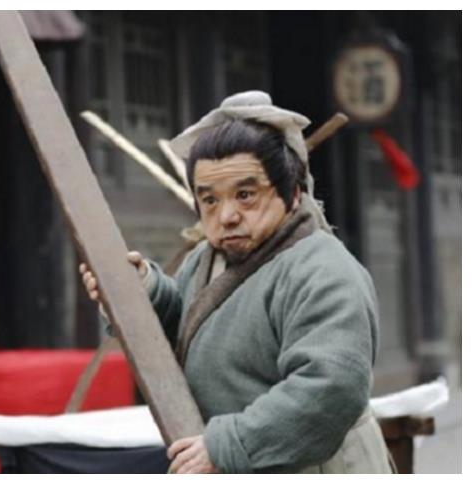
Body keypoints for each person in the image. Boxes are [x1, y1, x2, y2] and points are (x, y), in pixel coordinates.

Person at [79, 91, 392, 473]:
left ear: (293, 195)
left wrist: (228, 444)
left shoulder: (322, 269)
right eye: (210, 200)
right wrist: (141, 293)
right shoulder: (205, 259)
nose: (227, 215)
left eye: (245, 195)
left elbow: (330, 387)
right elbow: (187, 326)